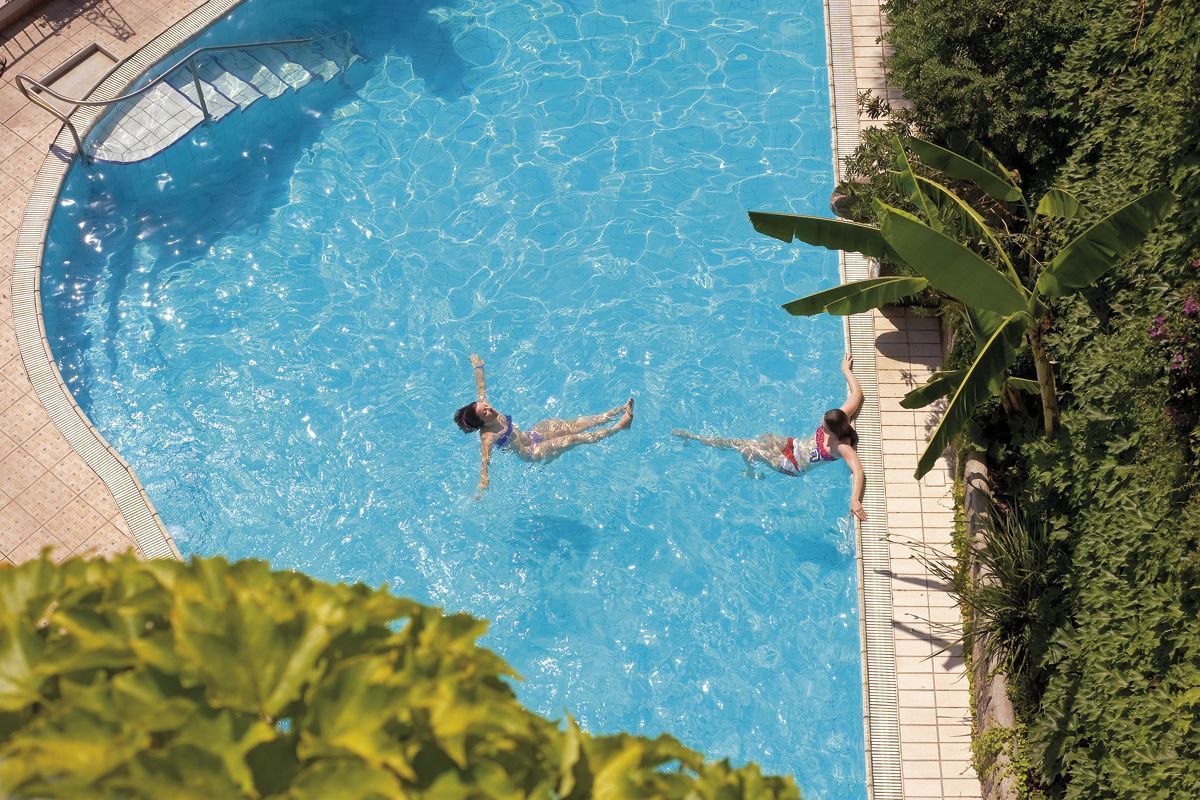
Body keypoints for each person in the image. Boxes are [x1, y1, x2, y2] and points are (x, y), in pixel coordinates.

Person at [672, 354, 868, 521]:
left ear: (833, 432)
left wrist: (854, 500)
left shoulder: (842, 446)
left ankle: (746, 469)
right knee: (760, 439)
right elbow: (857, 394)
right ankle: (702, 439)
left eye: (823, 427)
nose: (820, 426)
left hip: (793, 465)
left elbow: (858, 470)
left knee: (746, 449)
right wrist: (845, 370)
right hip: (793, 444)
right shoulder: (840, 418)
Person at [454, 353, 634, 495]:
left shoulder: (485, 406)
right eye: (484, 412)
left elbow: (481, 387)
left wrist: (478, 366)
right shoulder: (488, 436)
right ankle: (618, 427)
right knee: (574, 438)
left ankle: (619, 410)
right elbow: (485, 460)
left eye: (485, 406)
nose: (488, 408)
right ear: (481, 422)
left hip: (532, 434)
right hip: (532, 452)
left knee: (574, 425)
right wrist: (483, 482)